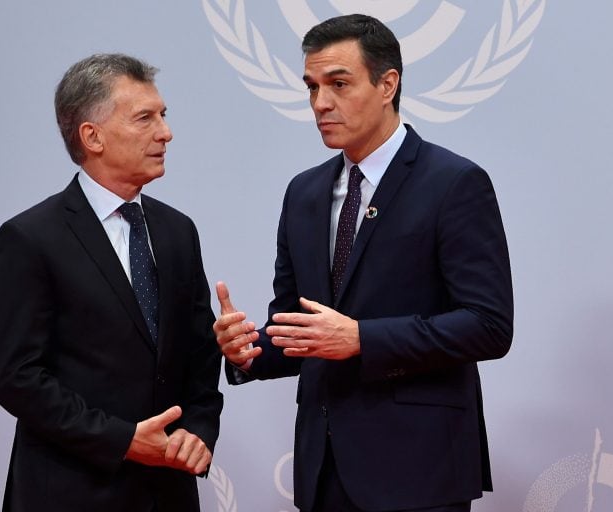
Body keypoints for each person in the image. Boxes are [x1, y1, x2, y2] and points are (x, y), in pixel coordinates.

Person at [213, 14, 513, 512]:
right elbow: (300, 326)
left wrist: (361, 340)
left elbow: (488, 326)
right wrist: (248, 351)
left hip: (421, 472)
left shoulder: (454, 183)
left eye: (338, 84)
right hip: (322, 471)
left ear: (387, 84)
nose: (320, 103)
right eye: (311, 87)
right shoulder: (303, 192)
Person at [0, 53, 223, 512]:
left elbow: (198, 353)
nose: (165, 132)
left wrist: (198, 430)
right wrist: (123, 440)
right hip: (70, 491)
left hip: (168, 491)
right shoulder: (30, 238)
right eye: (145, 118)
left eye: (164, 115)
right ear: (91, 136)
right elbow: (16, 377)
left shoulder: (177, 231)